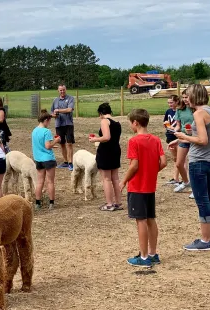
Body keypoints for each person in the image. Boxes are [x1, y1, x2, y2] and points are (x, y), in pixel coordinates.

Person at [119, 109, 166, 267]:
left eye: (130, 123)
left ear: (135, 123)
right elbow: (164, 162)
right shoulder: (156, 139)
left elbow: (134, 166)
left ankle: (144, 257)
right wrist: (152, 171)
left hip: (137, 186)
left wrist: (123, 181)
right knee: (151, 219)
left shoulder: (134, 141)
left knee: (141, 221)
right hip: (150, 186)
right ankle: (153, 254)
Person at [170, 84, 210, 251]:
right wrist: (181, 140)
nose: (186, 99)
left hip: (198, 161)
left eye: (189, 96)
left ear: (195, 96)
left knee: (202, 200)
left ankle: (206, 240)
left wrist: (184, 136)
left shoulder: (199, 113)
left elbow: (202, 140)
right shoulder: (208, 110)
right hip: (208, 160)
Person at [89, 103, 123, 211]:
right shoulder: (117, 122)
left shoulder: (104, 121)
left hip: (106, 151)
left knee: (106, 179)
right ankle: (118, 202)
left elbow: (106, 137)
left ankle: (109, 204)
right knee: (115, 178)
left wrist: (95, 139)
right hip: (116, 150)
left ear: (100, 113)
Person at [31, 109, 59, 210]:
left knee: (39, 182)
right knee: (50, 182)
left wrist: (51, 145)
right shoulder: (47, 131)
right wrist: (56, 140)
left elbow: (39, 145)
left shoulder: (34, 131)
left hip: (38, 159)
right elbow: (48, 146)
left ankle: (37, 203)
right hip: (48, 159)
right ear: (46, 120)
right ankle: (51, 203)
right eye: (49, 121)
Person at [171, 93, 193, 194]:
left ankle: (195, 187)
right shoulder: (180, 110)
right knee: (179, 163)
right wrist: (175, 130)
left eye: (186, 97)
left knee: (192, 164)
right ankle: (185, 182)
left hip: (195, 138)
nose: (184, 99)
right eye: (183, 97)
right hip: (183, 138)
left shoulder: (196, 109)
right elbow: (179, 125)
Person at [51, 84, 75, 171]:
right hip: (58, 124)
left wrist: (58, 110)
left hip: (68, 124)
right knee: (62, 144)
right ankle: (65, 162)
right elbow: (52, 113)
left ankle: (70, 162)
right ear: (58, 91)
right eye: (60, 90)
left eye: (63, 90)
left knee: (69, 143)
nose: (62, 91)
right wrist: (54, 115)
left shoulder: (70, 98)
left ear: (66, 89)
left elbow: (69, 109)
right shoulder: (55, 101)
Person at [163, 96, 180, 186]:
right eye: (168, 103)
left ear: (177, 102)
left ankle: (179, 178)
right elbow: (165, 122)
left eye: (171, 102)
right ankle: (176, 178)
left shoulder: (180, 111)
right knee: (175, 158)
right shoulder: (168, 111)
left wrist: (174, 129)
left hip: (177, 137)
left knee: (180, 159)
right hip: (170, 136)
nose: (170, 104)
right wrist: (168, 126)